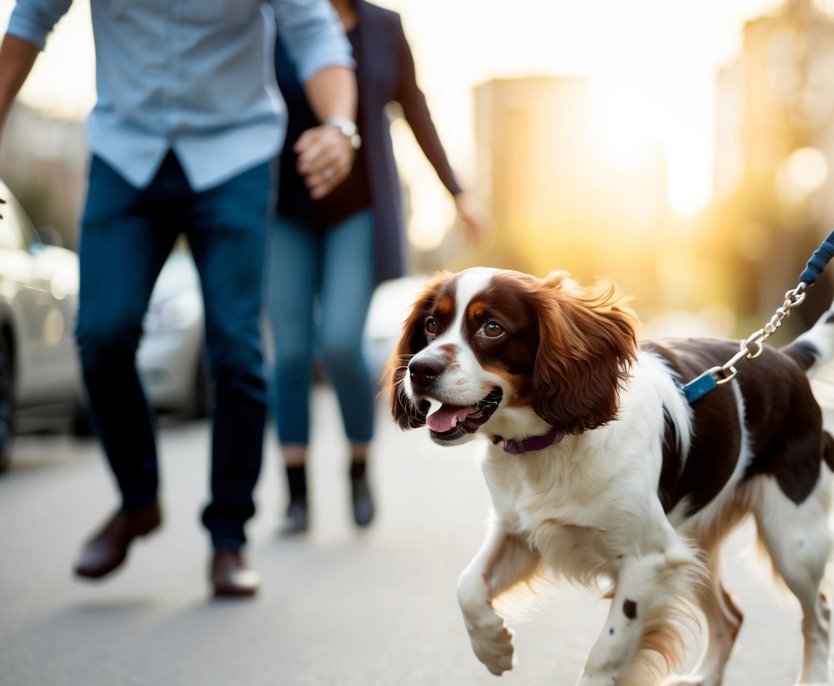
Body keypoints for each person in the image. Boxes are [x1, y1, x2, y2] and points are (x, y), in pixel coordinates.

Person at [0, 0, 358, 598]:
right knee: (102, 334)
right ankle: (138, 501)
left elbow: (317, 35)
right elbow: (29, 24)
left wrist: (340, 128)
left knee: (236, 351)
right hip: (125, 152)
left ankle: (228, 538)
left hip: (235, 155)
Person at [266, 0, 484, 536]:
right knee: (290, 351)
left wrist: (458, 192)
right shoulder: (272, 18)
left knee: (341, 342)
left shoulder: (385, 27)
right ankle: (296, 494)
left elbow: (416, 110)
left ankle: (359, 468)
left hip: (357, 212)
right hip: (282, 211)